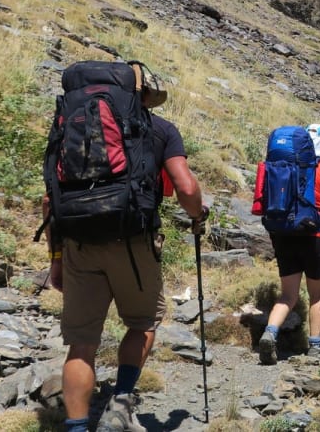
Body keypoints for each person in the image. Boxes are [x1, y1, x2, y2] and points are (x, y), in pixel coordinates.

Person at [43, 76, 209, 432]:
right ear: (146, 96)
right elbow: (186, 187)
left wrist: (56, 258)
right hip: (133, 242)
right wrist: (198, 215)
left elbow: (49, 198)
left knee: (81, 345)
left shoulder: (69, 123)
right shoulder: (161, 129)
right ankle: (120, 402)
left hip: (78, 241)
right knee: (142, 323)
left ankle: (75, 426)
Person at [251, 122, 320, 363]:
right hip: (314, 236)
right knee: (317, 294)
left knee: (288, 295)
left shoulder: (282, 166)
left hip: (283, 233)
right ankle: (315, 346)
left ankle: (270, 333)